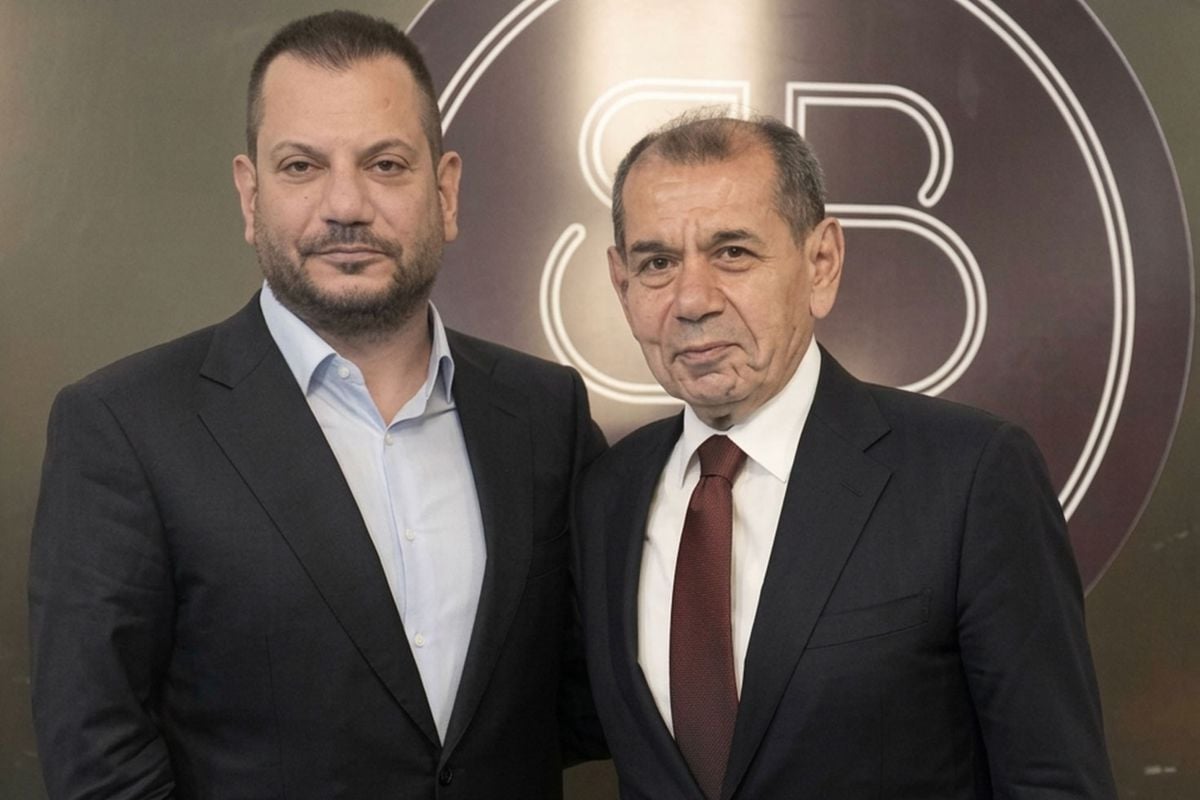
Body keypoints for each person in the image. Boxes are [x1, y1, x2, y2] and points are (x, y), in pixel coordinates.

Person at [29, 11, 604, 799]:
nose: (345, 205)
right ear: (250, 195)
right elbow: (97, 754)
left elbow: (579, 701)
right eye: (301, 166)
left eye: (386, 164)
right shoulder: (125, 428)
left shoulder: (545, 413)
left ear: (445, 191)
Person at [575, 112, 1116, 799]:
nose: (692, 300)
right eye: (657, 263)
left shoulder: (970, 476)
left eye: (733, 252)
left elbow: (1053, 781)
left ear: (821, 263)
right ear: (621, 284)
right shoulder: (606, 496)